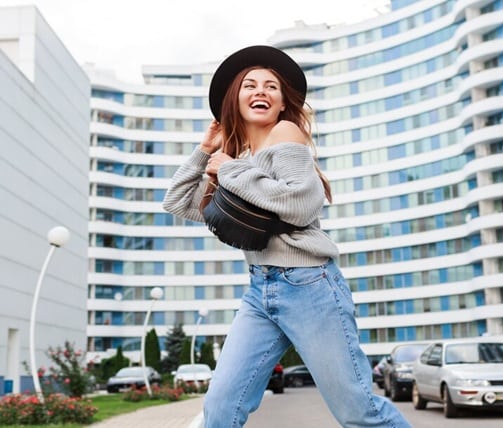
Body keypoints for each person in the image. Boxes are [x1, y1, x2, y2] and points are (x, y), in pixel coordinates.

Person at [163, 45, 412, 428]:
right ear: (235, 98)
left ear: (282, 103)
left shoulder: (285, 133)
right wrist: (204, 151)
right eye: (249, 85)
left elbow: (301, 205)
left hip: (310, 286)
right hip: (260, 291)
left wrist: (228, 170)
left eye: (271, 87)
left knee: (358, 412)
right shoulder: (237, 158)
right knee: (220, 409)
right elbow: (178, 201)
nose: (260, 91)